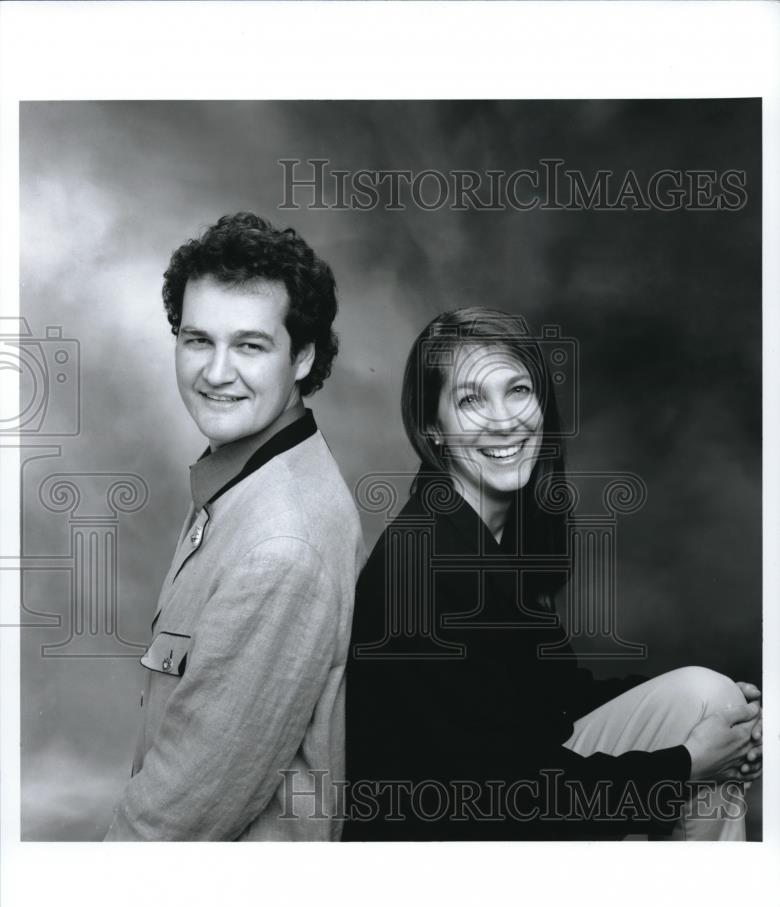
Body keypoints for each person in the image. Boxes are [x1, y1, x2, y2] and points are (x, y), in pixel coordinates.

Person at [343, 307, 762, 840]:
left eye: (517, 391)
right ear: (434, 430)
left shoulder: (496, 536)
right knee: (702, 725)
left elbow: (550, 701)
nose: (503, 419)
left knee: (711, 703)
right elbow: (492, 794)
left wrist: (722, 732)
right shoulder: (421, 566)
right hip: (444, 855)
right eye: (471, 400)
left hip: (507, 806)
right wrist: (684, 763)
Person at [105, 212, 364, 840]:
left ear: (302, 357)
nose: (215, 373)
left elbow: (180, 818)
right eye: (198, 340)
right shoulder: (249, 475)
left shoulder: (281, 546)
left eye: (249, 345)